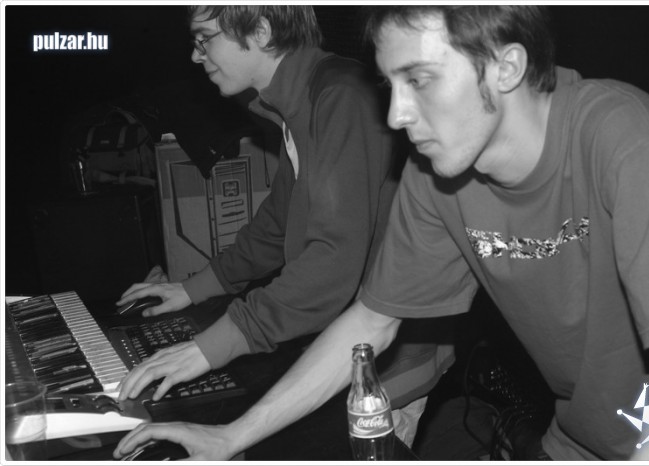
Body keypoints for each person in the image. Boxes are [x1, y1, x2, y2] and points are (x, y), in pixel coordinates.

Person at [114, 5, 649, 461]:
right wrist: (231, 437)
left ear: (506, 67)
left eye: (419, 79)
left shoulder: (625, 142)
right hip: (582, 440)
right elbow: (369, 323)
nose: (395, 115)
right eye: (391, 85)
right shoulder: (437, 175)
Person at [115, 4, 455, 448]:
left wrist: (210, 347)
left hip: (388, 362)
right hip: (348, 344)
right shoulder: (299, 101)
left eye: (205, 38)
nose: (197, 55)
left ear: (259, 30)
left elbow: (331, 261)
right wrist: (193, 288)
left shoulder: (339, 96)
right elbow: (277, 225)